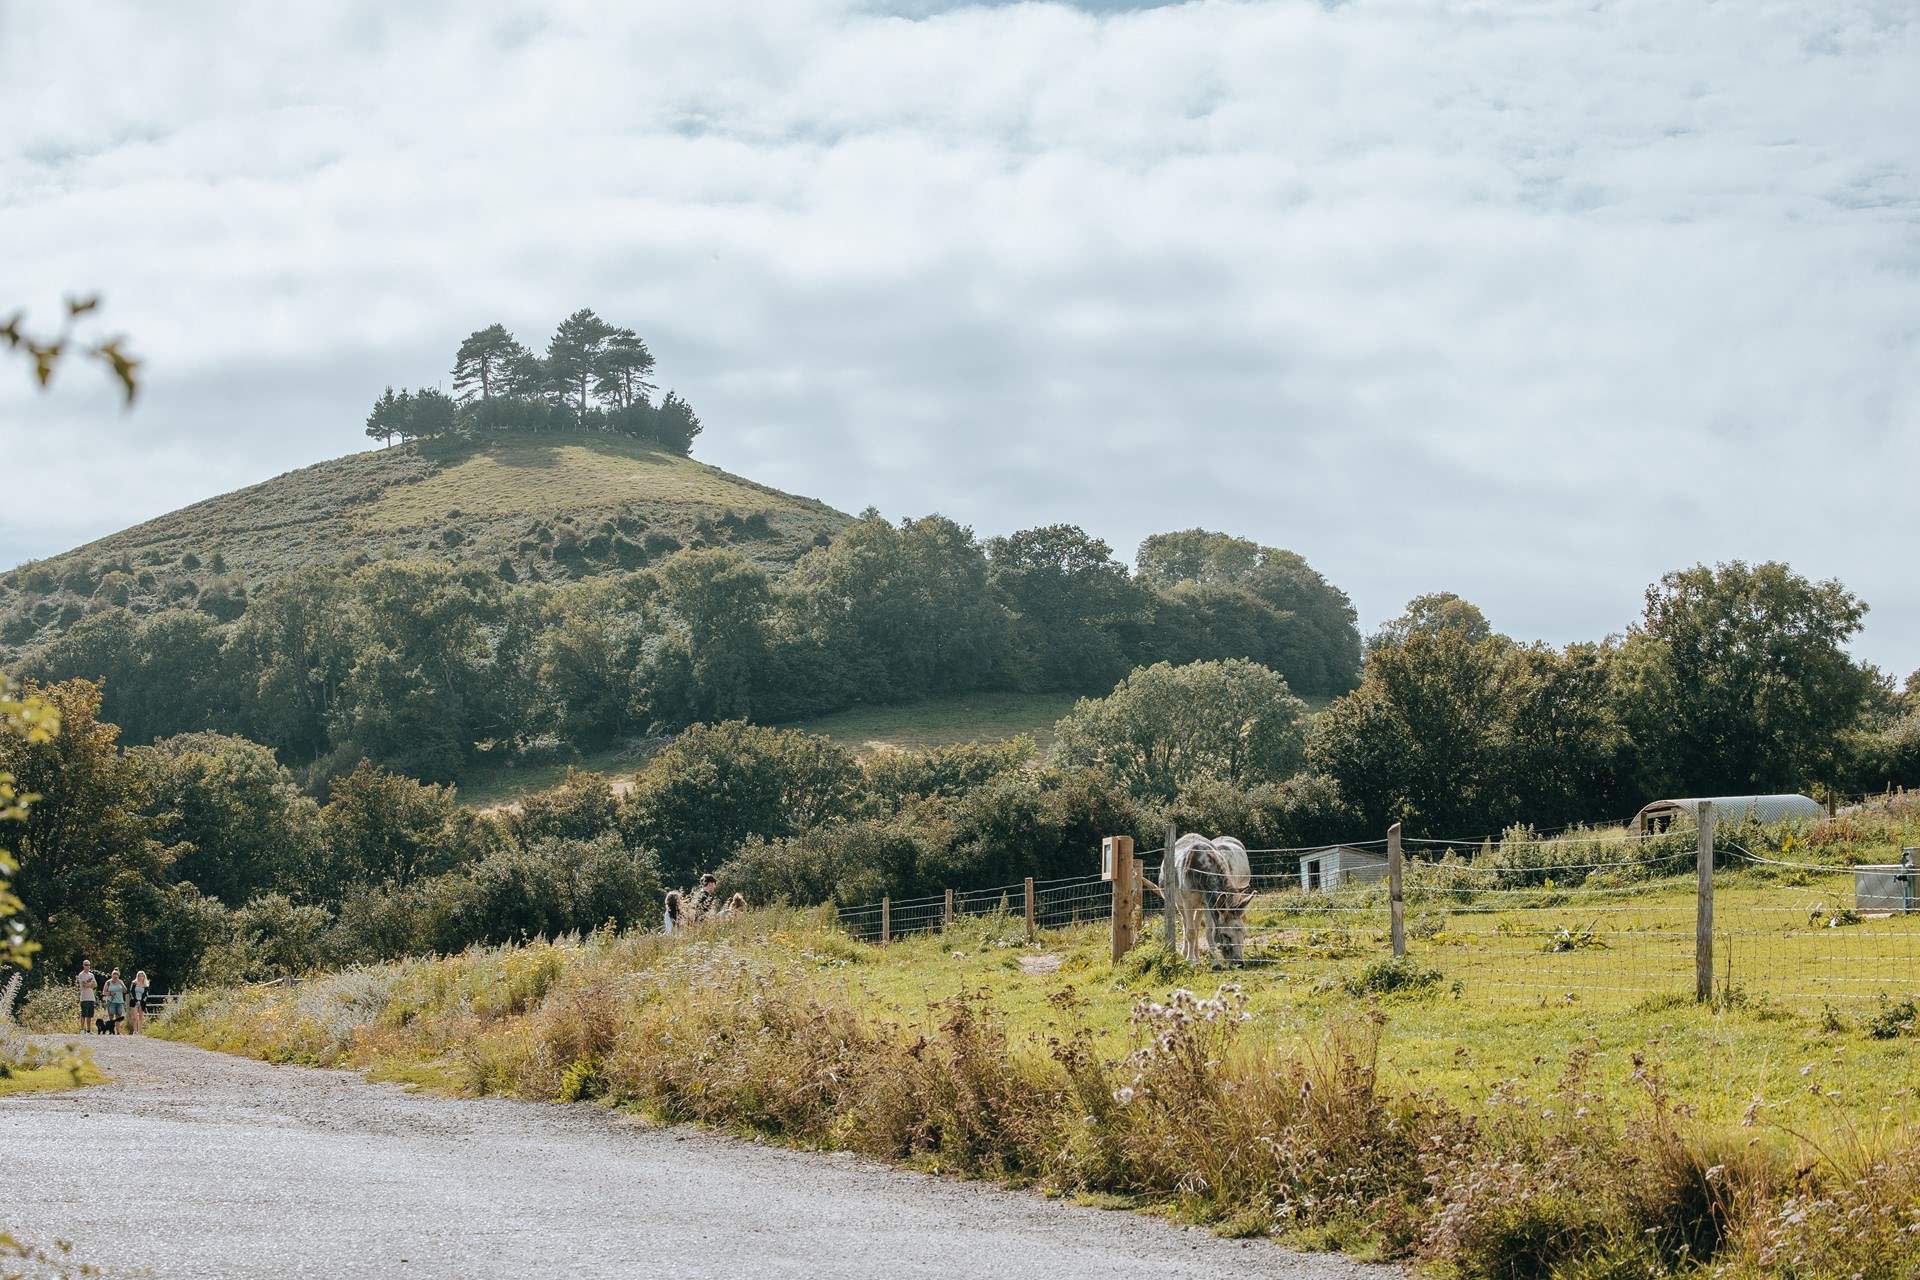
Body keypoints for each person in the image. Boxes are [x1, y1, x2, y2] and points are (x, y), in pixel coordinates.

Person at [75, 960, 98, 1034]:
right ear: (83, 965)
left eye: (88, 965)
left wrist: (89, 983)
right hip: (84, 998)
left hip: (91, 997)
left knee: (89, 1015)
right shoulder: (81, 974)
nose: (87, 966)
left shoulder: (91, 975)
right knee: (83, 1014)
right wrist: (90, 983)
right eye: (85, 964)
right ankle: (82, 1030)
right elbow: (84, 985)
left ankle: (88, 1030)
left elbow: (95, 985)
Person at [103, 969, 127, 1035]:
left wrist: (121, 984)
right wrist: (110, 993)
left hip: (119, 1002)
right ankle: (112, 1031)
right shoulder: (108, 982)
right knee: (111, 1016)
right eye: (114, 974)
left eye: (117, 975)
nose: (115, 976)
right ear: (112, 975)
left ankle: (118, 1031)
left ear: (118, 976)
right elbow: (104, 992)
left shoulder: (120, 982)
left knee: (118, 1017)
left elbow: (125, 991)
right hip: (111, 1001)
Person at [129, 970, 151, 1034]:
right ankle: (135, 1030)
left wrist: (142, 1001)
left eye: (142, 976)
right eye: (139, 976)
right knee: (135, 1017)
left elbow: (146, 994)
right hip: (134, 1001)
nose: (141, 977)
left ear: (144, 977)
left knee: (141, 1016)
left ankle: (139, 1031)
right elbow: (131, 992)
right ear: (137, 976)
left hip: (142, 1002)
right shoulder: (134, 983)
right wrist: (136, 1000)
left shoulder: (146, 984)